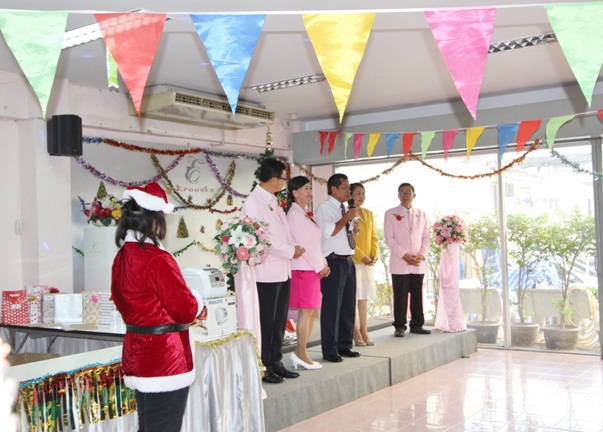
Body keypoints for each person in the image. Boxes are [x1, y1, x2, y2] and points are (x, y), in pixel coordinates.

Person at [111, 182, 203, 432]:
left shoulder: (123, 256)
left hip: (137, 352)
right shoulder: (158, 259)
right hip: (166, 357)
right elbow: (184, 309)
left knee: (148, 424)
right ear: (154, 222)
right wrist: (197, 299)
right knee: (164, 425)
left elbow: (119, 300)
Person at [241, 158, 305, 384]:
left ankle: (276, 361)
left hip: (282, 269)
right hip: (266, 271)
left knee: (279, 320)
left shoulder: (273, 200)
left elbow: (283, 232)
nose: (284, 182)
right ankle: (264, 365)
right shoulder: (253, 202)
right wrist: (290, 250)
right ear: (274, 179)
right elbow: (262, 238)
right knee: (266, 321)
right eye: (284, 178)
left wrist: (293, 247)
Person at [315, 173, 361, 362]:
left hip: (348, 260)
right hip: (333, 261)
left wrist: (353, 230)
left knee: (348, 305)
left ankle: (344, 345)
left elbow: (342, 235)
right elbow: (328, 232)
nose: (348, 191)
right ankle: (330, 349)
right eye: (344, 188)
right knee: (332, 307)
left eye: (349, 188)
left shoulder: (344, 209)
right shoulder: (324, 208)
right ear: (333, 189)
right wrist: (345, 219)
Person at [286, 176, 330, 370]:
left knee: (312, 312)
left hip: (312, 268)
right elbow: (302, 245)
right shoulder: (294, 215)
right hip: (303, 268)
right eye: (305, 188)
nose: (310, 192)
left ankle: (300, 352)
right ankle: (301, 353)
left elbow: (315, 244)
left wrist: (323, 264)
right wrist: (319, 266)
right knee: (306, 312)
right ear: (295, 192)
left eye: (310, 188)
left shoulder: (304, 213)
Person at [384, 182, 431, 337]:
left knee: (417, 295)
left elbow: (426, 237)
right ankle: (399, 326)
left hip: (417, 261)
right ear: (398, 195)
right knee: (400, 295)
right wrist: (404, 255)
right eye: (402, 193)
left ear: (414, 195)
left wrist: (421, 255)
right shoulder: (390, 213)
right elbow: (390, 238)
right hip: (400, 261)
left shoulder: (422, 214)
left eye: (408, 192)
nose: (405, 195)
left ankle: (417, 324)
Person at [350, 183, 378, 346]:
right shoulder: (348, 213)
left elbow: (374, 237)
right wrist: (362, 256)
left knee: (364, 297)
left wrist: (374, 255)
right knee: (353, 298)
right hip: (355, 261)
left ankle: (364, 330)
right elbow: (349, 239)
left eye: (363, 193)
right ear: (350, 195)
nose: (361, 196)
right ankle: (355, 331)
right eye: (357, 193)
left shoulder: (368, 213)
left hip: (367, 262)